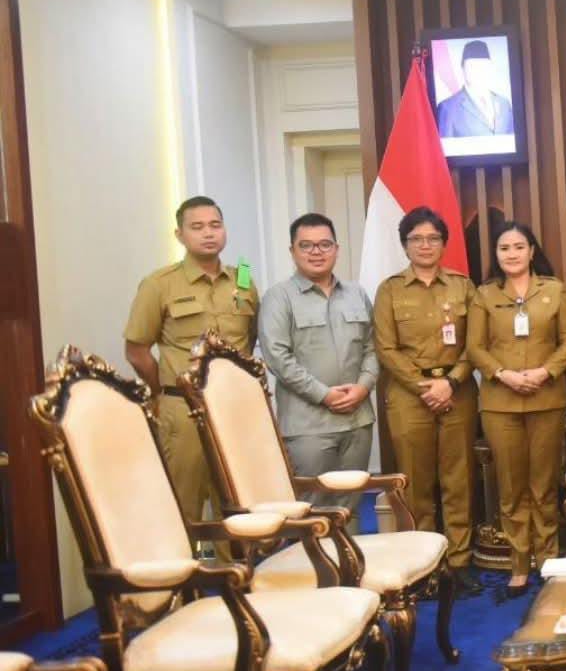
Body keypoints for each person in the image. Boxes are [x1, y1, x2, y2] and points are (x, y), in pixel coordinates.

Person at [124, 196, 258, 559]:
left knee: (236, 502)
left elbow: (248, 342)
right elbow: (136, 349)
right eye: (197, 227)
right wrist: (164, 390)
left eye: (215, 225)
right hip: (183, 409)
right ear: (180, 235)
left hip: (233, 410)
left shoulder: (244, 280)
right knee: (183, 504)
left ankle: (237, 578)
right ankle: (182, 583)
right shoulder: (159, 284)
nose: (208, 234)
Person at [373, 207, 480, 593]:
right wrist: (425, 386)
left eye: (433, 238)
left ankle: (459, 562)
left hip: (457, 390)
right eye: (416, 239)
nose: (425, 245)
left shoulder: (463, 286)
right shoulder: (390, 290)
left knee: (458, 480)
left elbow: (476, 342)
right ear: (405, 245)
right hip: (409, 395)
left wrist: (450, 382)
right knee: (416, 484)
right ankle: (425, 567)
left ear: (444, 244)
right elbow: (386, 348)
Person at [468, 222, 566, 597]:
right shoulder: (484, 294)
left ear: (532, 251)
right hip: (500, 403)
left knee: (544, 484)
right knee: (511, 486)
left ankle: (547, 559)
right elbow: (475, 348)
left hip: (546, 398)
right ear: (496, 255)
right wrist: (504, 375)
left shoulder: (554, 289)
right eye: (504, 248)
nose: (512, 254)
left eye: (519, 246)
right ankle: (518, 564)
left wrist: (544, 372)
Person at [259, 213, 378, 523]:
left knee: (350, 507)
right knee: (312, 511)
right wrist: (324, 395)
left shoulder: (356, 294)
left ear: (336, 249)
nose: (316, 252)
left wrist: (364, 386)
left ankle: (350, 557)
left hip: (357, 420)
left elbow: (372, 347)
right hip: (308, 426)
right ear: (292, 251)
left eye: (324, 244)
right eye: (306, 245)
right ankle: (313, 559)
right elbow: (277, 357)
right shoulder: (278, 298)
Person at [436, 40, 515, 139]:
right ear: (463, 69)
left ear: (489, 67)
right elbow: (443, 146)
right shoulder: (448, 108)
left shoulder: (504, 103)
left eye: (482, 66)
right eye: (472, 66)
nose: (477, 71)